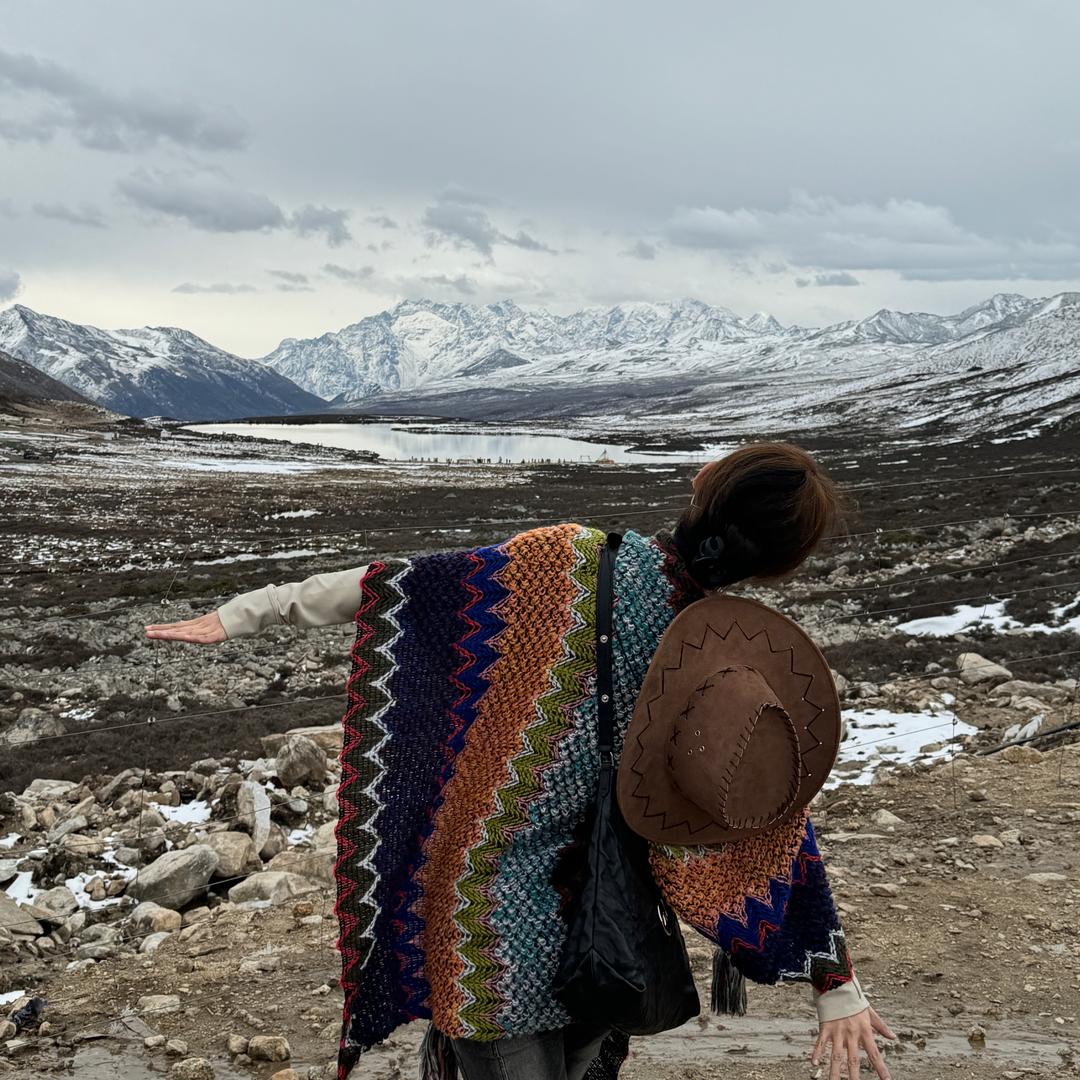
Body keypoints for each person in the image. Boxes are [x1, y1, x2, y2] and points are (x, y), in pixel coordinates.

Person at [146, 441, 896, 1080]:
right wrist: (835, 981)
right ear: (777, 568)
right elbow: (773, 832)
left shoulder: (561, 560)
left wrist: (242, 613)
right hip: (605, 932)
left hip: (483, 922)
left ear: (701, 488)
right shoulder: (735, 673)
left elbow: (397, 588)